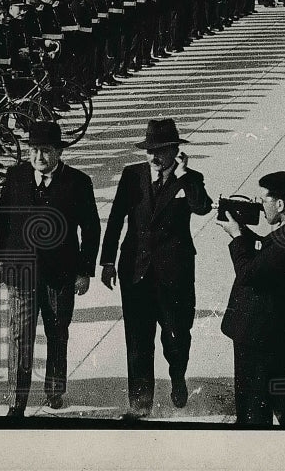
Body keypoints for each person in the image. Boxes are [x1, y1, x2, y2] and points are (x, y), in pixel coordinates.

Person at [100, 119, 213, 417]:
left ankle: (177, 375)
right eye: (150, 150)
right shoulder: (132, 175)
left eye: (161, 151)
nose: (154, 157)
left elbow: (202, 207)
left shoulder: (190, 179)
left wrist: (185, 175)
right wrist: (108, 261)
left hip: (174, 274)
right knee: (138, 341)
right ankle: (140, 405)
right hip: (135, 271)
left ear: (175, 151)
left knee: (177, 335)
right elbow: (115, 220)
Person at [0, 121, 101, 416]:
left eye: (46, 151)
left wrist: (84, 271)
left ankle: (54, 390)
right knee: (20, 336)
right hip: (21, 274)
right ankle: (17, 401)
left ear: (58, 152)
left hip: (61, 276)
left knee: (57, 333)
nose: (39, 157)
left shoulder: (78, 182)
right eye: (34, 151)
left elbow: (91, 230)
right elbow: (2, 218)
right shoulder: (15, 177)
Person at [219, 171, 285, 427]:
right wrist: (242, 232)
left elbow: (250, 273)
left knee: (253, 403)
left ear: (280, 204)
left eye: (264, 201)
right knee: (278, 392)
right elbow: (266, 250)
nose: (261, 208)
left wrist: (238, 237)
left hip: (261, 334)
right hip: (268, 330)